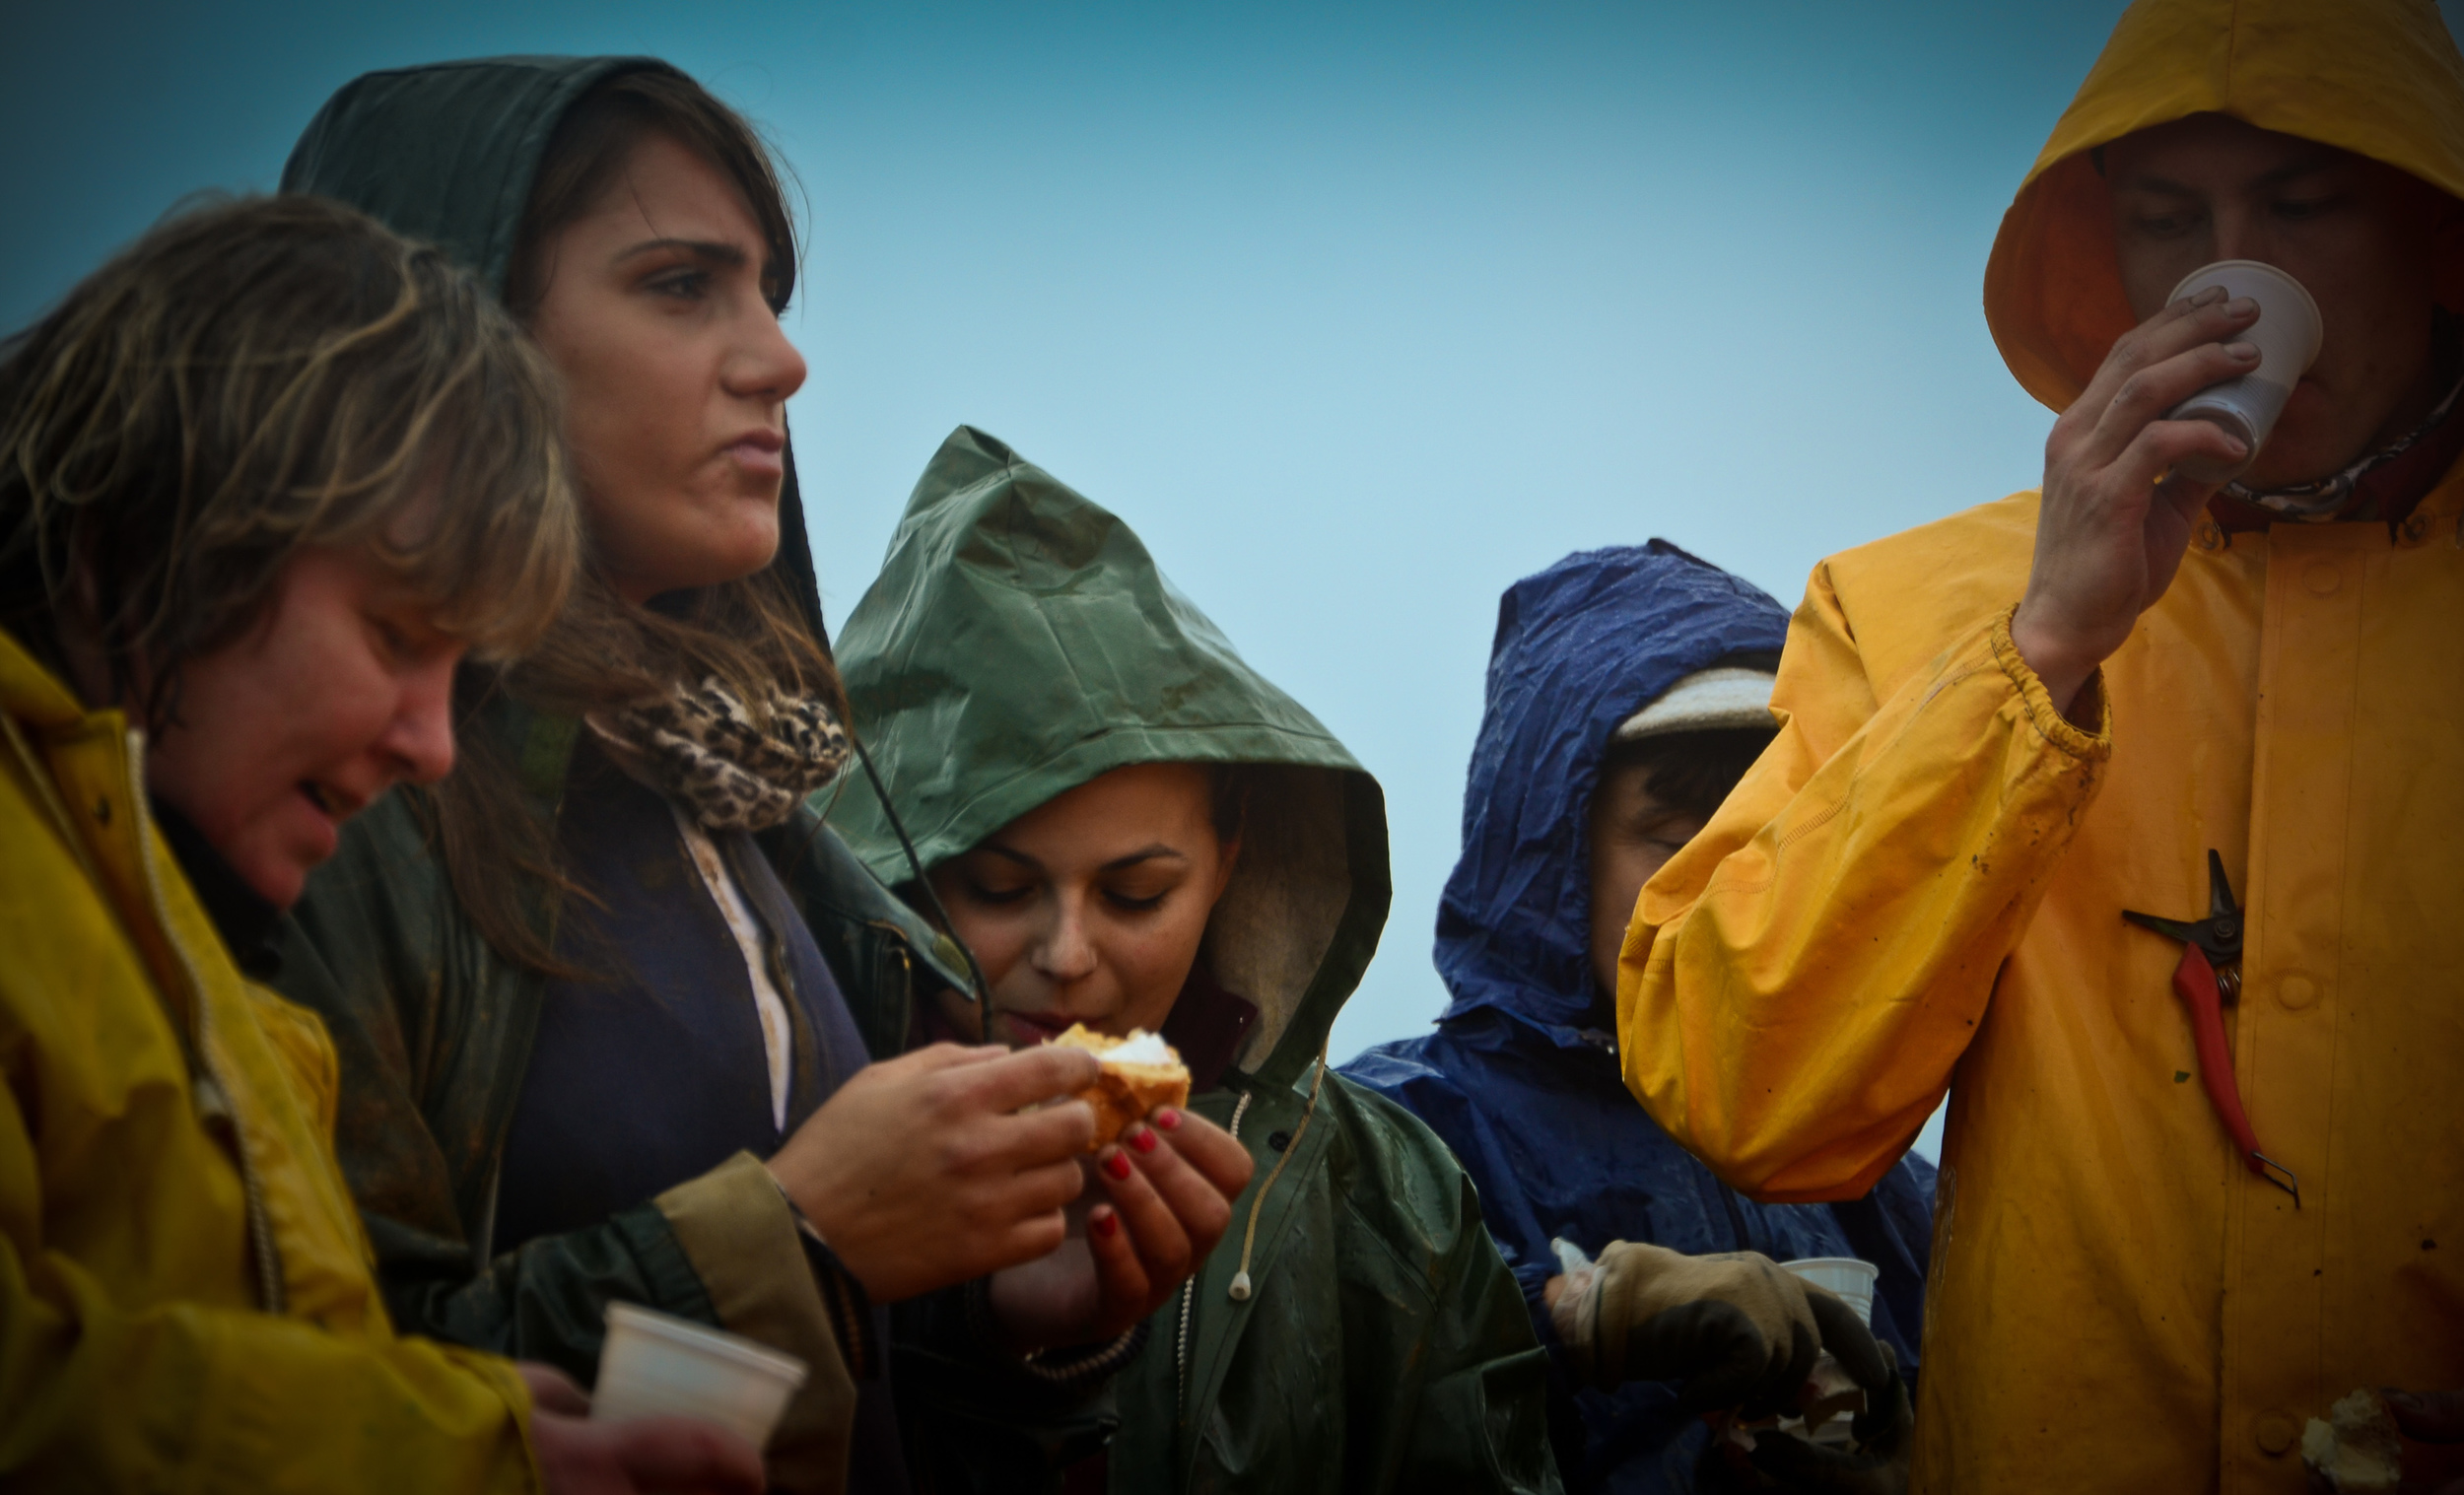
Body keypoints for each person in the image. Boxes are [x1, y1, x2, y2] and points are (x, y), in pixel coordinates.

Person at [273, 59, 1245, 1493]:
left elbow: (815, 1414)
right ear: (454, 327)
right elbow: (296, 1410)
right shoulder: (333, 806)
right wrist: (801, 1237)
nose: (781, 359)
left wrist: (1013, 1332)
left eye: (771, 298)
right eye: (681, 286)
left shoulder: (753, 818)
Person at [1602, 0, 2464, 1490]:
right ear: (2104, 252)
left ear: (2432, 224)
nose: (2226, 275)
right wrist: (2041, 647)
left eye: (2306, 205)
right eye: (2163, 217)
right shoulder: (1908, 604)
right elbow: (1751, 1099)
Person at [0, 193, 764, 1492]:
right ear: (146, 538)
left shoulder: (182, 937)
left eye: (463, 672)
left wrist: (455, 1403)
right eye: (398, 638)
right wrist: (457, 1454)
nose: (433, 743)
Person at [826, 426, 1562, 1494]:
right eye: (994, 886)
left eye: (1135, 893)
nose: (1067, 955)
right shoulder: (775, 1124)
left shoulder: (1388, 1196)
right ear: (885, 868)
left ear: (1231, 863)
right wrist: (999, 1358)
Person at [1343, 541, 1936, 1494]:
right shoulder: (1390, 1132)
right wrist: (1572, 1318)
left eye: (1773, 833)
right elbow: (1327, 1364)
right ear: (1547, 849)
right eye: (1676, 835)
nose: (1735, 881)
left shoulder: (1872, 1168)